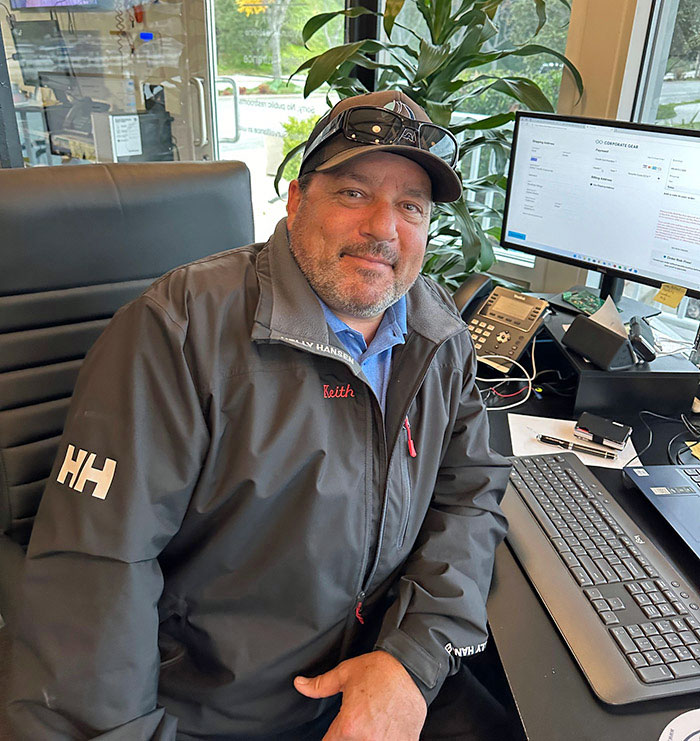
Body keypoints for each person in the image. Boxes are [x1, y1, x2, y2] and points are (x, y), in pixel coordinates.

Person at [8, 90, 511, 740]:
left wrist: (410, 660)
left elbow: (470, 496)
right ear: (297, 200)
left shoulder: (438, 334)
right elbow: (96, 573)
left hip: (377, 674)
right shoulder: (177, 331)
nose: (383, 229)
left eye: (410, 206)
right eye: (354, 193)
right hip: (214, 712)